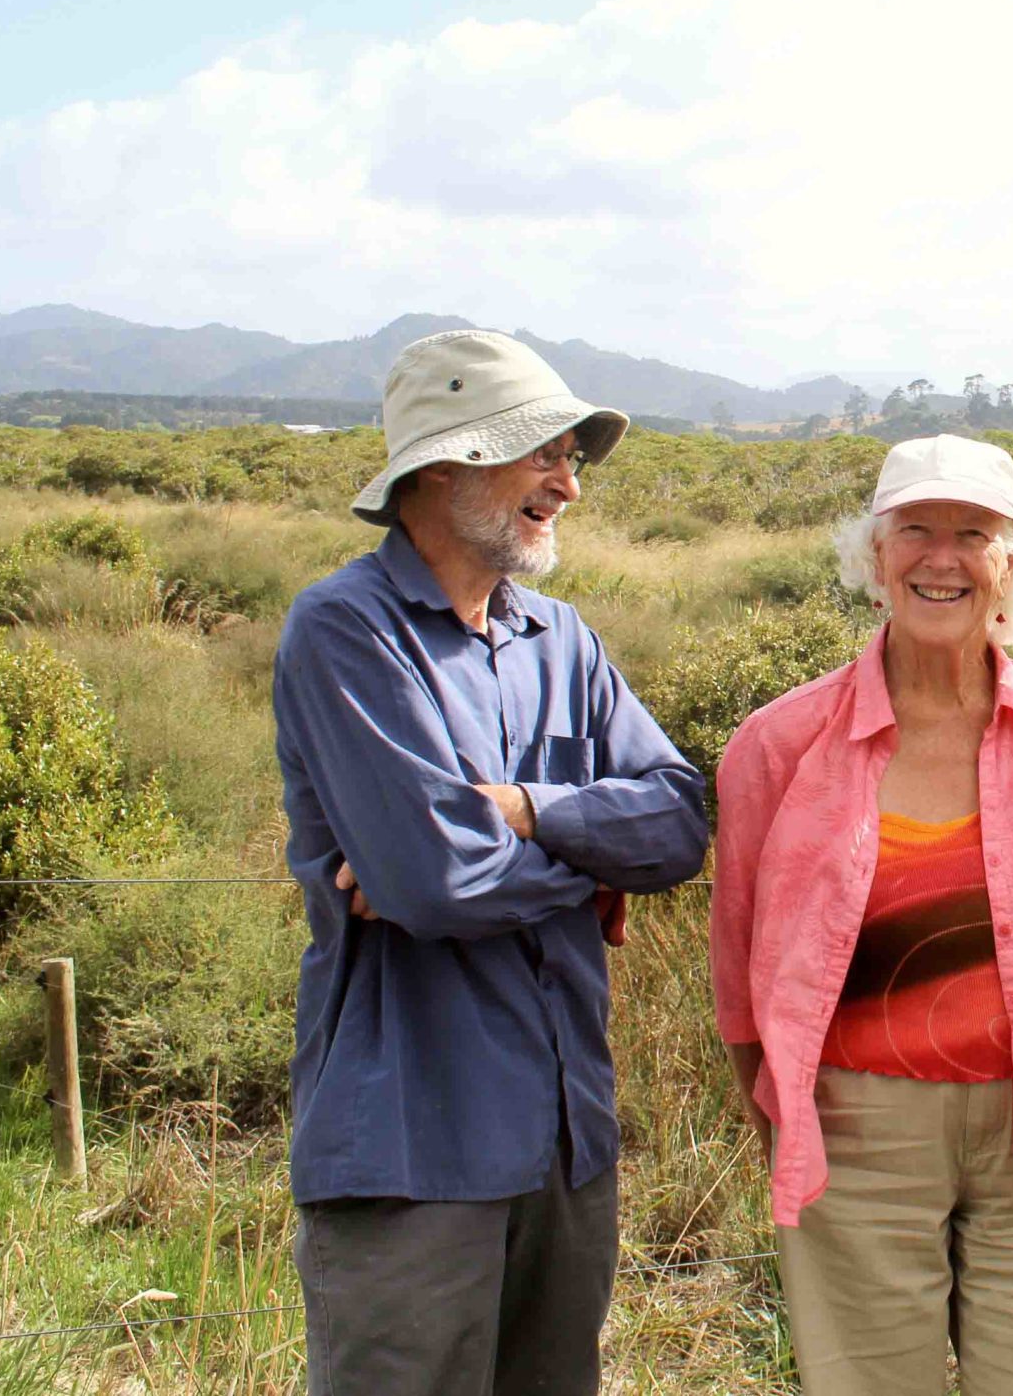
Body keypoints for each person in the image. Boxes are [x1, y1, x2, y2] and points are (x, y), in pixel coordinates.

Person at [274, 328, 713, 1396]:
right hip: (413, 1148)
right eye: (541, 453)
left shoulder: (564, 639)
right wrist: (593, 865)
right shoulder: (345, 633)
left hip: (568, 1142)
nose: (568, 484)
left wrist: (525, 813)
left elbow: (683, 820)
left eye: (572, 456)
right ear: (440, 463)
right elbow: (439, 882)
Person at [710, 435, 1013, 1396]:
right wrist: (787, 1111)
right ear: (875, 552)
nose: (942, 557)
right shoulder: (779, 745)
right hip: (856, 1128)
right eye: (915, 530)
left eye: (973, 533)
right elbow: (739, 970)